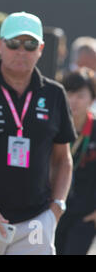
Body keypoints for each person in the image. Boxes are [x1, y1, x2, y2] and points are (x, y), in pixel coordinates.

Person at [0, 11, 76, 255]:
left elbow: (63, 159)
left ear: (41, 48)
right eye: (14, 43)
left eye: (30, 44)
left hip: (35, 222)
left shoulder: (55, 94)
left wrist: (56, 208)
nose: (21, 51)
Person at [55, 68, 96, 255]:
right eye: (69, 93)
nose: (73, 101)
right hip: (54, 210)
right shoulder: (53, 125)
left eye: (80, 95)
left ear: (92, 99)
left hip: (85, 216)